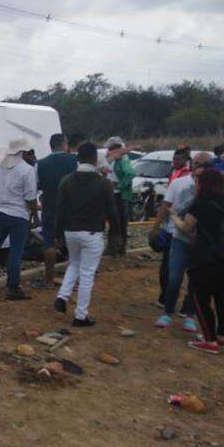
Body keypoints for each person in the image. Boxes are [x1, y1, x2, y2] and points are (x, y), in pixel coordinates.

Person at [171, 169, 224, 354]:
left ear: (203, 184)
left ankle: (210, 341)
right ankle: (222, 336)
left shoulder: (200, 204)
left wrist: (174, 216)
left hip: (206, 259)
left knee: (201, 299)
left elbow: (186, 228)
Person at [52, 143, 118, 327]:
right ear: (95, 159)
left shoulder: (66, 181)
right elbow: (112, 211)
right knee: (87, 273)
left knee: (74, 263)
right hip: (92, 232)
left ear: (78, 159)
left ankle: (63, 296)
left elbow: (60, 210)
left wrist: (57, 234)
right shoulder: (103, 183)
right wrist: (116, 232)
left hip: (70, 231)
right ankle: (81, 315)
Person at [151, 153, 214, 331]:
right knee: (174, 277)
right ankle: (167, 311)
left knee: (195, 280)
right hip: (178, 237)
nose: (198, 167)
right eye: (196, 163)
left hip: (201, 242)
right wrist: (156, 227)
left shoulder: (215, 188)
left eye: (203, 164)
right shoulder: (179, 183)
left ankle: (189, 315)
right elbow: (166, 204)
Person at [0, 137, 39, 301]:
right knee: (16, 251)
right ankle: (13, 287)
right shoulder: (27, 170)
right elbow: (30, 197)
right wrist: (35, 215)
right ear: (22, 151)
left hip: (1, 213)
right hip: (19, 215)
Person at [34, 133, 78, 289]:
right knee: (72, 242)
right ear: (65, 144)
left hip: (50, 207)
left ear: (51, 146)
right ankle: (73, 278)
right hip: (72, 208)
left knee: (49, 243)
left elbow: (37, 186)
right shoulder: (75, 160)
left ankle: (49, 279)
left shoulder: (40, 164)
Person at [102, 136, 137, 255]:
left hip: (119, 195)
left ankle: (118, 248)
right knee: (114, 222)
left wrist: (119, 186)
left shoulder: (123, 159)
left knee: (119, 222)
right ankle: (115, 247)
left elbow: (130, 173)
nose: (108, 150)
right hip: (113, 194)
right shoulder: (115, 158)